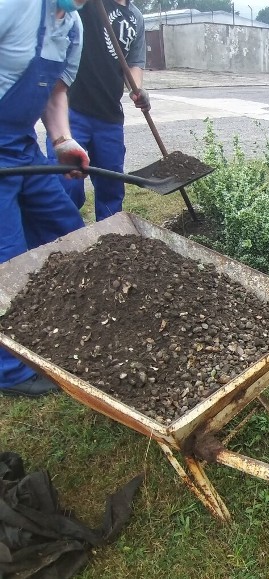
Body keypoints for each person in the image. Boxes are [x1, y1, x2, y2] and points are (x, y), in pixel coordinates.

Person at [0, 0, 90, 398]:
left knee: (67, 231)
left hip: (21, 146)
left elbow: (53, 93)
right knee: (7, 257)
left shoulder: (73, 26)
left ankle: (64, 331)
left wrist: (61, 140)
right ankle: (10, 370)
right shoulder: (13, 7)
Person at [47, 0, 149, 221]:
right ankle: (66, 242)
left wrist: (137, 89)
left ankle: (111, 241)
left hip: (110, 116)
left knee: (112, 188)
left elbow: (134, 62)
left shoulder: (136, 17)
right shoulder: (90, 4)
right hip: (72, 111)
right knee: (67, 185)